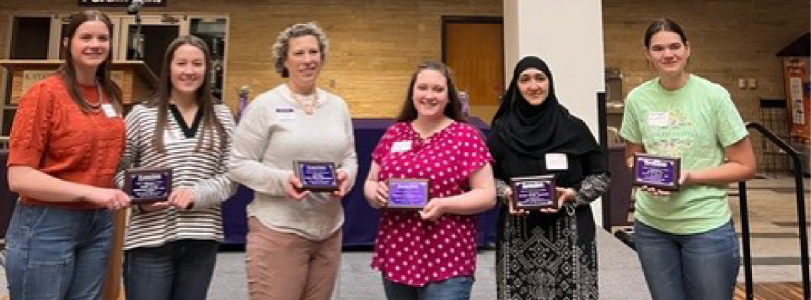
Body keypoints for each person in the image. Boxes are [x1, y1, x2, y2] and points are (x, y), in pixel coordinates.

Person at [620, 18, 756, 300]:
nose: (667, 54)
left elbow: (745, 165)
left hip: (705, 225)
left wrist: (690, 176)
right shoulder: (637, 99)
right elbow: (632, 155)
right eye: (658, 49)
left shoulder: (714, 96)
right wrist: (646, 176)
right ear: (647, 54)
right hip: (652, 228)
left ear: (687, 49)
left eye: (674, 46)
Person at [4, 10, 130, 299]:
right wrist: (91, 193)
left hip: (98, 224)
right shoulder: (43, 94)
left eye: (103, 38)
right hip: (47, 223)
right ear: (67, 43)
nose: (95, 44)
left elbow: (113, 159)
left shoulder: (110, 93)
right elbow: (19, 178)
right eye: (85, 37)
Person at [228, 22, 357, 300]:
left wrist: (348, 175)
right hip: (279, 231)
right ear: (284, 60)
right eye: (299, 53)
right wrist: (281, 180)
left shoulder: (338, 106)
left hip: (329, 231)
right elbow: (237, 163)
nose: (308, 60)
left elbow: (349, 157)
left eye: (314, 52)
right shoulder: (264, 105)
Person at [116, 35, 236, 300]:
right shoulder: (140, 115)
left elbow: (231, 175)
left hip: (201, 237)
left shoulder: (222, 115)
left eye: (197, 64)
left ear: (208, 68)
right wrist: (140, 200)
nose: (189, 71)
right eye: (181, 63)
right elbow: (117, 171)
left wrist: (196, 194)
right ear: (169, 67)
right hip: (149, 240)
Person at [364, 61, 496, 300]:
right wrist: (375, 193)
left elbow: (487, 194)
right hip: (398, 252)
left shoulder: (466, 136)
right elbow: (371, 182)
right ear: (412, 93)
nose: (429, 95)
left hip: (448, 256)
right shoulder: (394, 133)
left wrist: (445, 204)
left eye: (438, 89)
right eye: (422, 88)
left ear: (449, 97)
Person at [487, 56, 609, 300]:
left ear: (550, 83)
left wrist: (573, 194)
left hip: (570, 232)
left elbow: (601, 176)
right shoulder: (502, 130)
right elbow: (488, 178)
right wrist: (506, 193)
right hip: (517, 234)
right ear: (516, 86)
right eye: (525, 79)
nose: (534, 86)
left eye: (540, 78)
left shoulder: (574, 128)